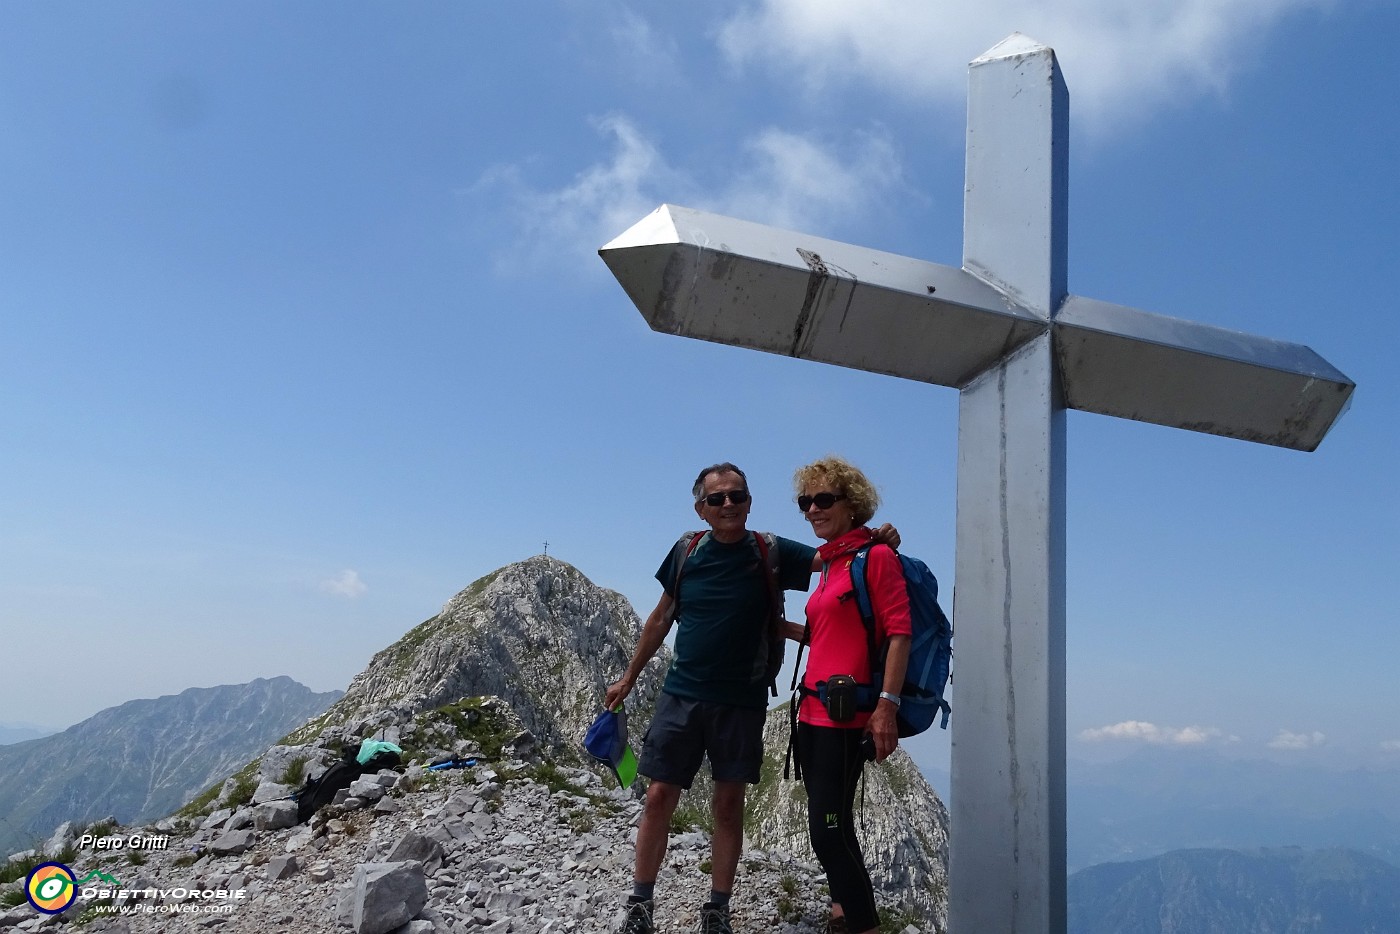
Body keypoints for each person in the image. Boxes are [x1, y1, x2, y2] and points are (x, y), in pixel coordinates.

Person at [605, 462, 897, 934]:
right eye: (717, 499)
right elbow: (661, 618)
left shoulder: (771, 551)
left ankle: (718, 909)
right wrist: (629, 677)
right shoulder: (686, 552)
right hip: (681, 693)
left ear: (749, 501)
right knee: (658, 795)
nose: (728, 505)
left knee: (727, 804)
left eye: (737, 496)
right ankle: (641, 902)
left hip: (741, 700)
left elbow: (837, 558)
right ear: (700, 508)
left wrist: (875, 537)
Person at [791, 455, 912, 934]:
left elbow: (899, 633)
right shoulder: (831, 565)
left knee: (827, 830)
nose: (812, 510)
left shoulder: (876, 558)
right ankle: (844, 912)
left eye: (824, 499)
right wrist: (782, 628)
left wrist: (887, 707)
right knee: (834, 822)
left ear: (852, 504)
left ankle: (865, 925)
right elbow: (828, 637)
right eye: (806, 501)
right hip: (814, 715)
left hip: (846, 720)